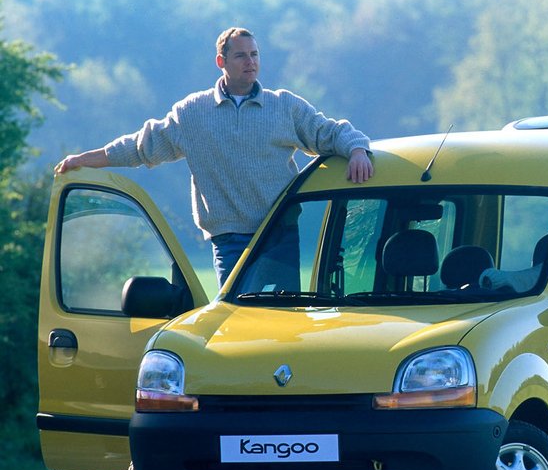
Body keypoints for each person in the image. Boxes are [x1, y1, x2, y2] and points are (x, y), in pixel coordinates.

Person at [53, 26, 375, 286]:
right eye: (240, 56)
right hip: (229, 240)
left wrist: (357, 150)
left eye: (254, 55)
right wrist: (85, 159)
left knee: (281, 327)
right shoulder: (192, 112)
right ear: (221, 62)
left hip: (279, 233)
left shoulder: (284, 106)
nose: (250, 62)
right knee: (236, 328)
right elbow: (141, 146)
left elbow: (330, 132)